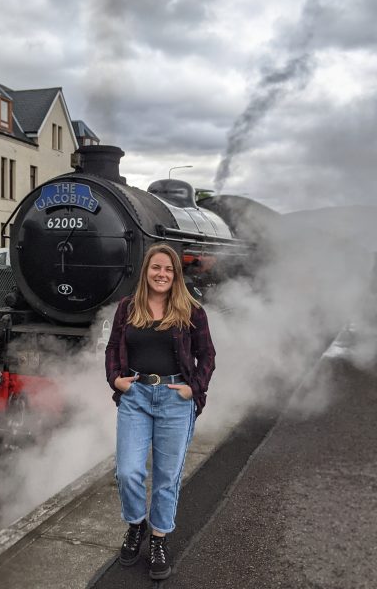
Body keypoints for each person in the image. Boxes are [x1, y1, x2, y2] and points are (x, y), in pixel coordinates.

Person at [105, 243, 216, 580]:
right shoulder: (127, 308)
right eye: (156, 268)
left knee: (167, 477)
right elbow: (112, 348)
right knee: (128, 472)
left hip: (174, 399)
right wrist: (116, 380)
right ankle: (136, 524)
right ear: (146, 271)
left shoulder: (192, 310)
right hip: (136, 396)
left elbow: (207, 356)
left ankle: (158, 539)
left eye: (168, 269)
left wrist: (192, 388)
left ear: (176, 274)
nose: (162, 274)